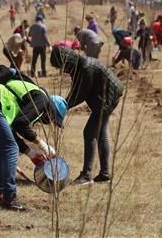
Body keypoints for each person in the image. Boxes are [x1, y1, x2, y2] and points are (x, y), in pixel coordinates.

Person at [0, 71, 67, 209]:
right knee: (10, 148)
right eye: (54, 118)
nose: (50, 122)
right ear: (52, 109)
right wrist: (43, 145)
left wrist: (31, 153)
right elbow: (21, 125)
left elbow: (12, 130)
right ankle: (10, 197)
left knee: (2, 146)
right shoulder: (42, 100)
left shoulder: (32, 98)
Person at [50, 46, 124, 185]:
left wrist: (62, 106)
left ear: (67, 61)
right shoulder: (78, 67)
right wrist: (63, 103)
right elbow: (76, 89)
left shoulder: (85, 68)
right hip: (105, 98)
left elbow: (81, 93)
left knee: (89, 132)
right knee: (100, 133)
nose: (62, 70)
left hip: (108, 98)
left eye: (61, 66)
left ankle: (86, 175)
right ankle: (105, 174)